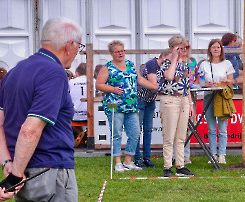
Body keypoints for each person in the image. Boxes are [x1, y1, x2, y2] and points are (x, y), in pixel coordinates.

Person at [0, 17, 83, 202]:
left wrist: (9, 165)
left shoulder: (15, 72)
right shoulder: (54, 73)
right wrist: (14, 171)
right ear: (69, 45)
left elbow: (0, 124)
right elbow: (30, 129)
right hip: (49, 173)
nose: (77, 53)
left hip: (24, 177)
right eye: (79, 47)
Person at [96, 40, 158, 172]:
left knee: (135, 133)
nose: (120, 53)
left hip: (131, 105)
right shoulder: (107, 67)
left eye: (122, 51)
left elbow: (139, 79)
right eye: (117, 51)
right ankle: (118, 162)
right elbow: (99, 84)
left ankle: (128, 161)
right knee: (116, 133)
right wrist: (112, 89)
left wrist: (153, 87)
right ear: (111, 53)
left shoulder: (130, 64)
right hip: (114, 105)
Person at [158, 35, 194, 177]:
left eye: (183, 48)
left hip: (183, 99)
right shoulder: (166, 64)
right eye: (178, 48)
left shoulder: (185, 65)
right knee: (169, 135)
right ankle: (167, 166)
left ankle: (180, 165)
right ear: (172, 48)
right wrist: (173, 59)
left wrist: (190, 103)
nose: (181, 51)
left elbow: (187, 86)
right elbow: (169, 77)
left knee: (181, 136)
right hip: (170, 100)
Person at [199, 39, 235, 164]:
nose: (216, 49)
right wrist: (206, 83)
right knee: (211, 128)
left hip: (222, 96)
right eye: (213, 47)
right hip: (209, 95)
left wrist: (226, 81)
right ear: (209, 49)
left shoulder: (227, 63)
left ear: (221, 49)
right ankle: (213, 153)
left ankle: (222, 154)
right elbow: (200, 81)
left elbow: (232, 80)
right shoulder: (204, 64)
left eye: (218, 47)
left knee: (223, 128)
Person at [133, 49, 171, 168]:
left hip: (150, 100)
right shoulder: (151, 64)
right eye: (169, 59)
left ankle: (146, 158)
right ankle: (136, 158)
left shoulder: (163, 67)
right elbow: (154, 84)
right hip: (140, 99)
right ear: (164, 56)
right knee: (137, 130)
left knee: (148, 130)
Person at [181, 39, 199, 164]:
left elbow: (198, 76)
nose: (185, 49)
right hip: (179, 94)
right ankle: (174, 155)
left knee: (189, 126)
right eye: (183, 47)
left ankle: (186, 155)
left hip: (192, 95)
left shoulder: (192, 61)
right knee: (178, 127)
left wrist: (194, 83)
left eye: (187, 47)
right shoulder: (174, 61)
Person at [69, 63, 88, 141]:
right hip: (90, 115)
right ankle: (87, 135)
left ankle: (80, 133)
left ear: (77, 73)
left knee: (67, 118)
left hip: (74, 114)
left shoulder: (71, 82)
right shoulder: (94, 81)